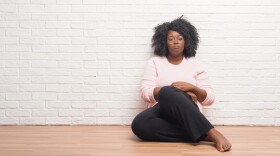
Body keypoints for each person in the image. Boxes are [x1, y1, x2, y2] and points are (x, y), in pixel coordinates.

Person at [131, 16, 232, 152]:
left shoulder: (195, 64)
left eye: (180, 38)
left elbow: (210, 98)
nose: (175, 42)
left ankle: (212, 132)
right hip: (161, 111)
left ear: (187, 41)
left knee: (168, 91)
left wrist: (193, 88)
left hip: (189, 113)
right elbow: (145, 93)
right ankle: (202, 134)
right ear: (164, 42)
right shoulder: (155, 62)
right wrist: (173, 92)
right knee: (139, 124)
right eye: (171, 39)